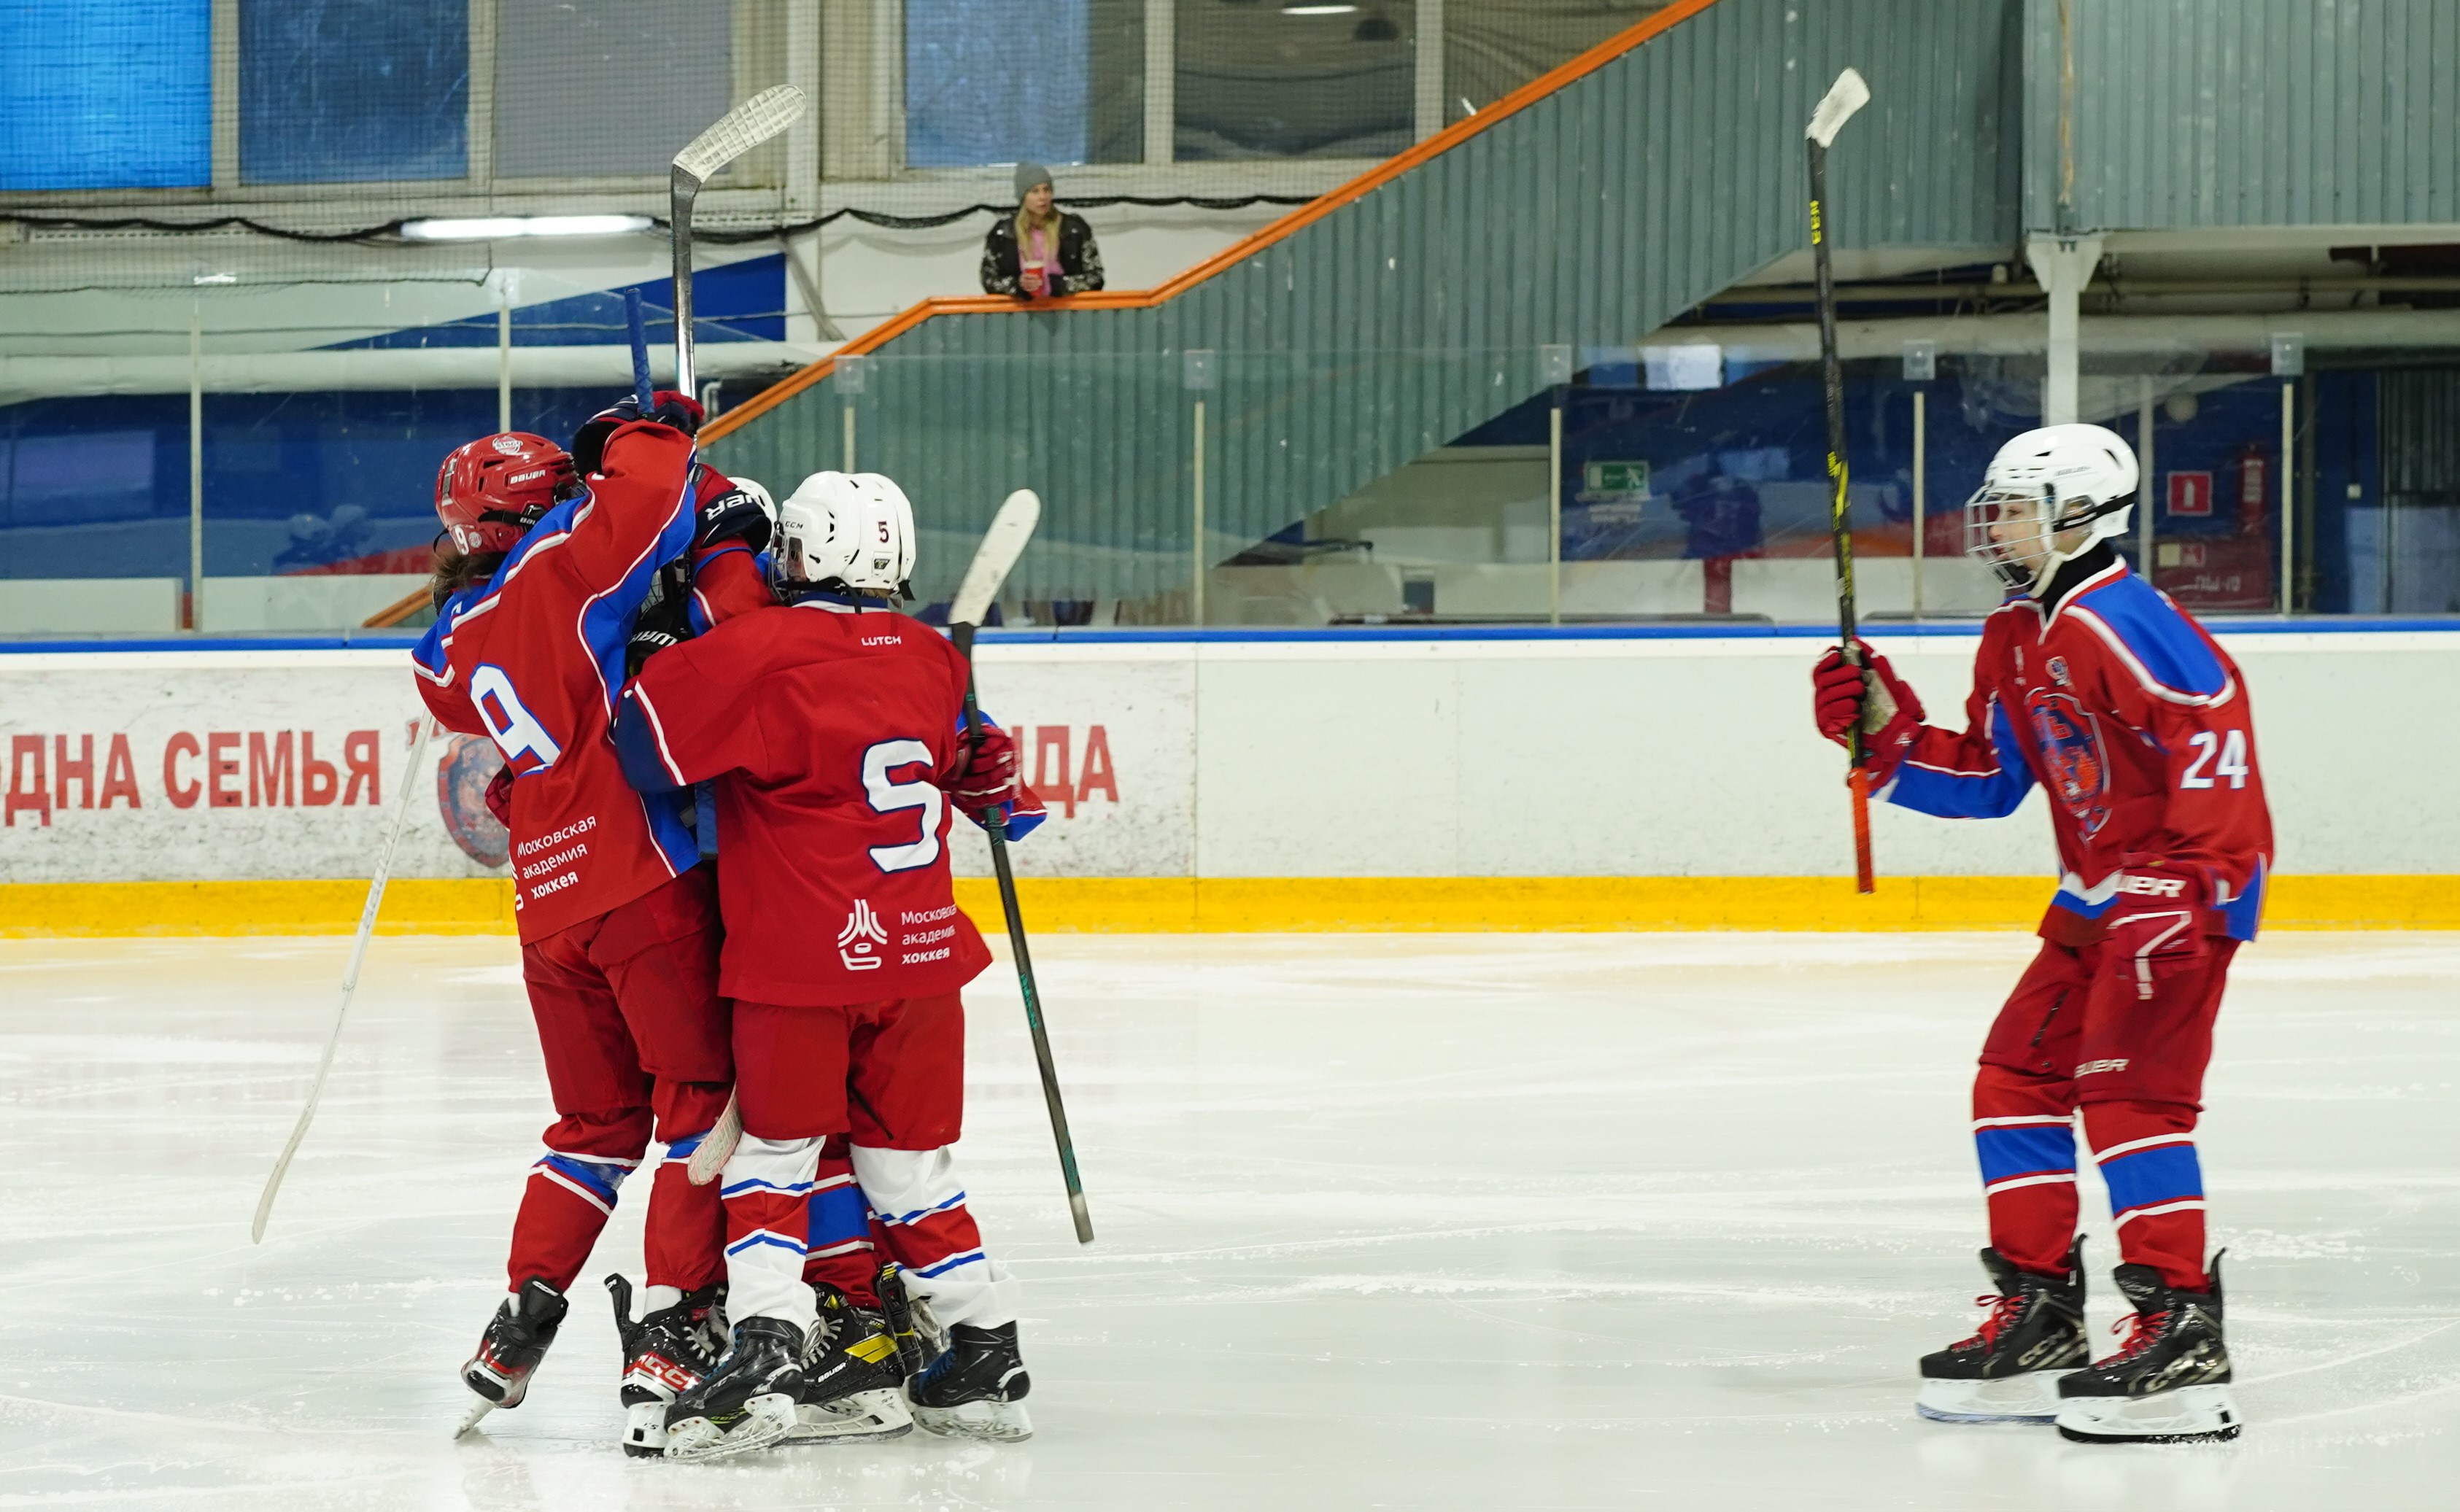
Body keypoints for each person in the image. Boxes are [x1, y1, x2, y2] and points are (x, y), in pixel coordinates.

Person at [1810, 424, 2270, 1445]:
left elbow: (2218, 732)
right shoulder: (2016, 636)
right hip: (2094, 905)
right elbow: (1987, 779)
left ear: (2078, 513)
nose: (1999, 525)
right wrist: (1883, 727)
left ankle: (2183, 1334)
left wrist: (2193, 883)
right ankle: (2040, 1316)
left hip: (2175, 901)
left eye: (2017, 506)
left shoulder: (2127, 620)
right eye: (2000, 506)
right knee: (2014, 1081)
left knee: (2131, 1098)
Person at [607, 470, 1045, 1459]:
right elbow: (972, 765)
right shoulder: (937, 657)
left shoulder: (760, 649)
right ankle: (985, 1341)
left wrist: (663, 643)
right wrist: (985, 761)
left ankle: (764, 1346)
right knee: (909, 1171)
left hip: (803, 961)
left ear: (801, 552)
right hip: (924, 960)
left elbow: (643, 749)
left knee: (774, 1159)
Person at [412, 393, 775, 1454]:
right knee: (700, 1107)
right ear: (548, 507)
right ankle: (669, 1330)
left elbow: (460, 689)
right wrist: (649, 433)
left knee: (591, 1127)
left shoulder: (449, 636)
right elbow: (654, 498)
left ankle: (519, 1322)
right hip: (639, 880)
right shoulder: (559, 566)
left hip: (548, 904)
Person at [980, 161, 1105, 299]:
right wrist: (1018, 285)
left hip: (1067, 311)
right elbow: (989, 280)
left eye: (1046, 190)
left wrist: (1058, 285)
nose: (1043, 197)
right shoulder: (1003, 233)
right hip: (1021, 314)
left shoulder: (1074, 229)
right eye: (1035, 191)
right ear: (1023, 197)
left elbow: (1096, 278)